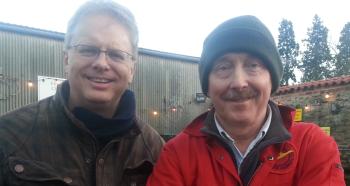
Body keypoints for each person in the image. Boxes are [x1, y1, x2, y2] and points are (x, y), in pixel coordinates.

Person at [147, 15, 345, 186]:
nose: (239, 83)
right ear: (207, 86)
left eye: (253, 65)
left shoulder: (311, 145)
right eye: (223, 67)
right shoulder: (177, 153)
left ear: (272, 80)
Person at [0, 1, 164, 185]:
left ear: (132, 70)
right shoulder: (9, 137)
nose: (101, 63)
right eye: (88, 50)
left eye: (116, 54)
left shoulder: (153, 150)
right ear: (67, 59)